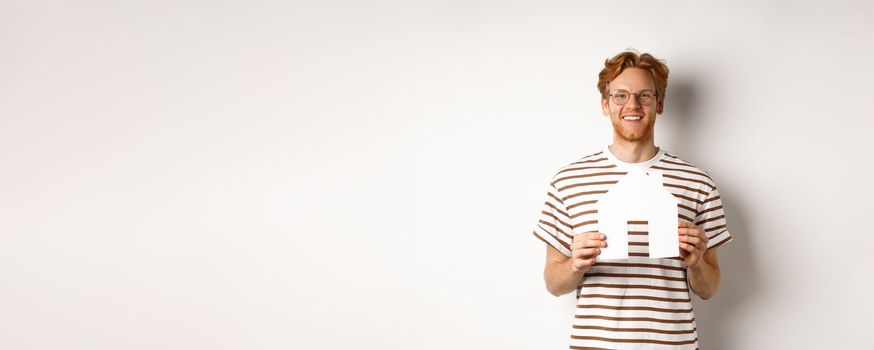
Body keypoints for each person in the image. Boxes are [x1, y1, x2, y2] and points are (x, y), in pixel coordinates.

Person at [532, 50, 732, 349]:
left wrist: (696, 262)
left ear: (659, 104)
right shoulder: (568, 181)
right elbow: (553, 282)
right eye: (620, 95)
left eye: (644, 96)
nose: (632, 105)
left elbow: (709, 288)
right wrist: (575, 264)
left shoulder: (697, 182)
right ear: (605, 104)